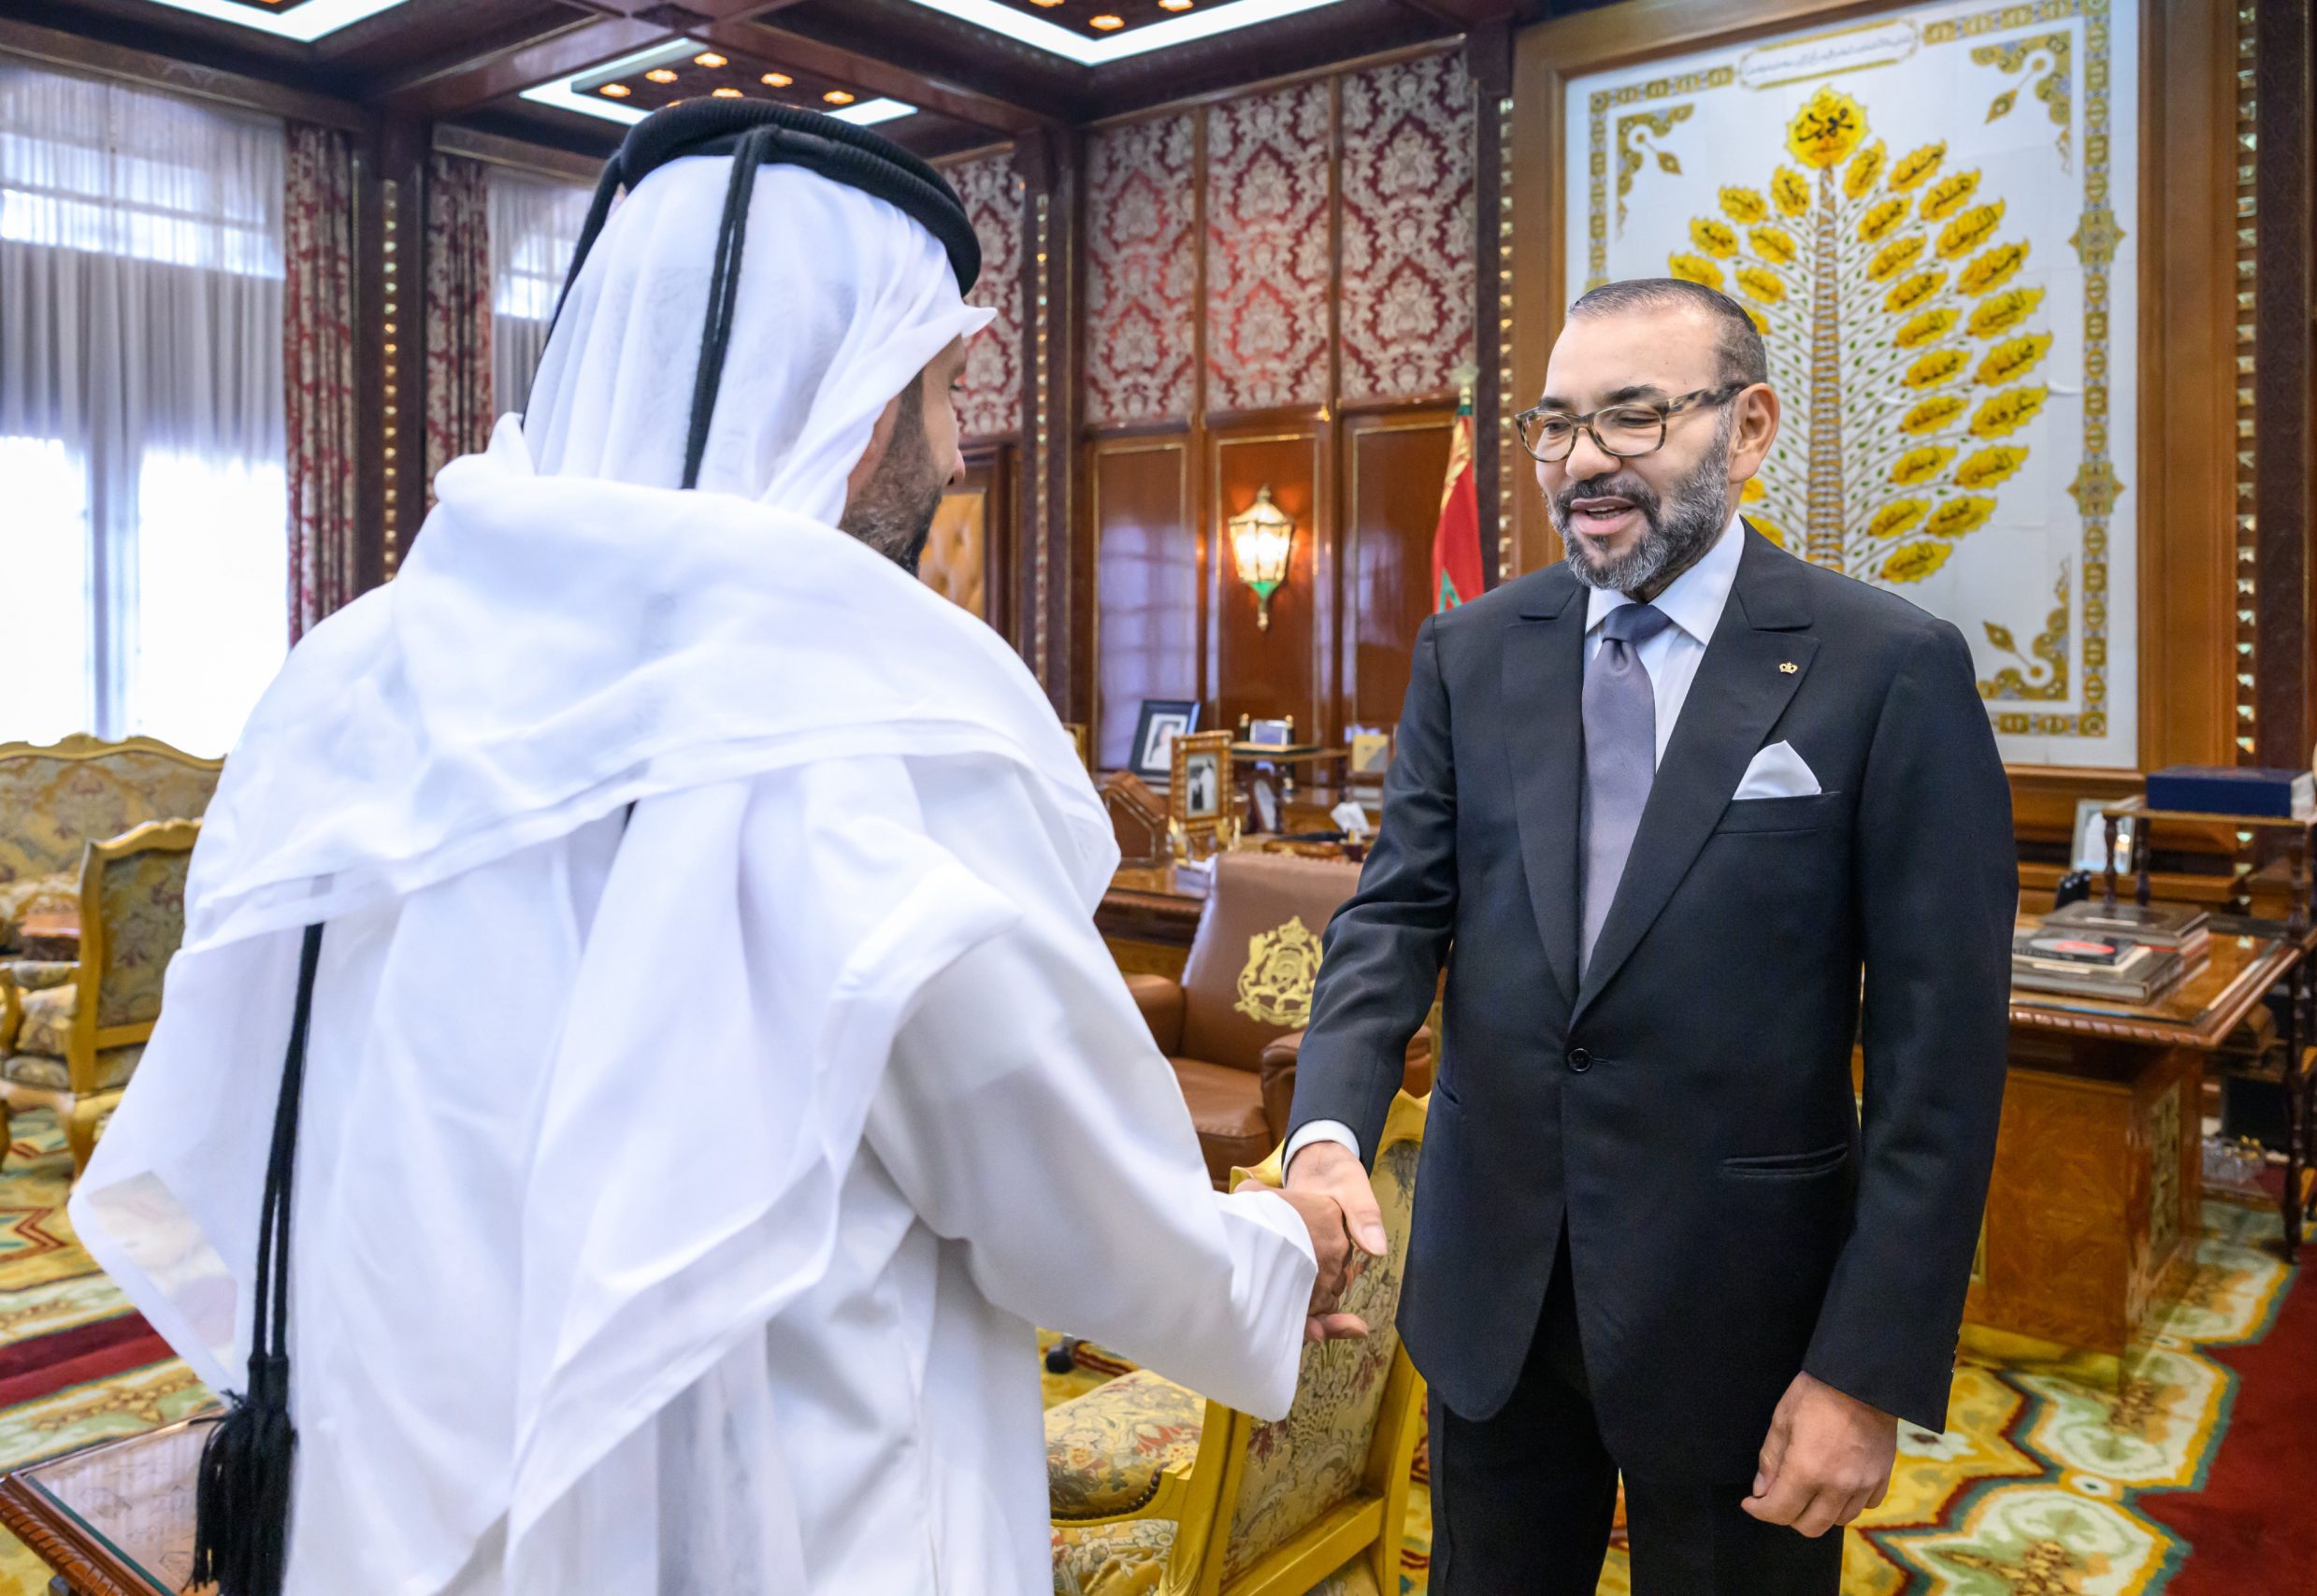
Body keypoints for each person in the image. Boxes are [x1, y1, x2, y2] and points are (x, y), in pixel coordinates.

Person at [70, 101, 1360, 1596]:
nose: (954, 447)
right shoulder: (853, 737)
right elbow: (1075, 1203)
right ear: (863, 401)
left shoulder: (357, 688)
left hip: (409, 1496)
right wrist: (1277, 1243)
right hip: (785, 1524)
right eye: (944, 392)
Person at [1280, 277, 2016, 1594]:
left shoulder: (1884, 665)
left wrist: (1867, 1367)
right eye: (1556, 426)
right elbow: (1394, 914)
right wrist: (1328, 1129)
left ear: (1749, 428)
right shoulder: (1474, 648)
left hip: (1747, 1323)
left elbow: (1939, 1067)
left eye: (1633, 418)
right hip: (1494, 1295)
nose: (1583, 464)